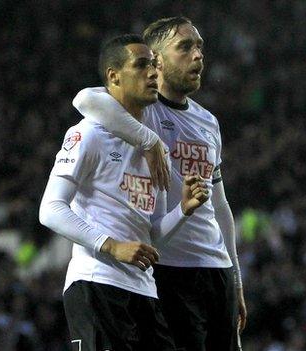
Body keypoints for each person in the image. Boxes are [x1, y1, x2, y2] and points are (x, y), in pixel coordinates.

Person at [73, 16, 246, 351]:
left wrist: (236, 279)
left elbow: (220, 206)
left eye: (199, 47)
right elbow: (84, 100)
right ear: (157, 61)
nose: (198, 55)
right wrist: (148, 140)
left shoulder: (208, 122)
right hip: (169, 267)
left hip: (217, 268)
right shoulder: (140, 112)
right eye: (185, 47)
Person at [39, 34, 209, 351]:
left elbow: (150, 237)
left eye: (155, 65)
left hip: (144, 289)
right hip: (97, 283)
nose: (153, 73)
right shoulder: (88, 133)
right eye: (141, 65)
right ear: (114, 76)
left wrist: (183, 210)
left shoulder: (157, 150)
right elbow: (50, 209)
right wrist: (113, 246)